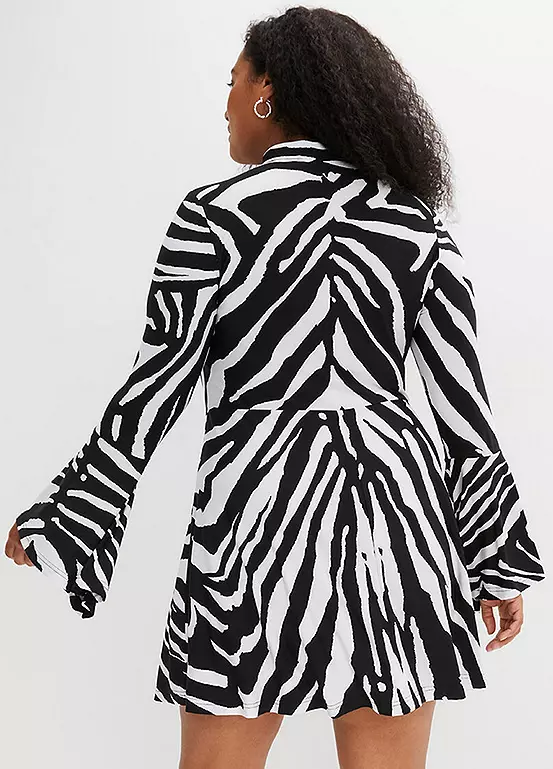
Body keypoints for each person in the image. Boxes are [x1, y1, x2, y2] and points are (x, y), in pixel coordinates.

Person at [5, 6, 546, 769]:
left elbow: (154, 387)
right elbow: (463, 414)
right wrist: (495, 555)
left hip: (255, 525)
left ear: (267, 90)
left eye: (232, 82)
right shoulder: (415, 225)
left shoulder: (214, 217)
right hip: (393, 527)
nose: (225, 103)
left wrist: (70, 514)